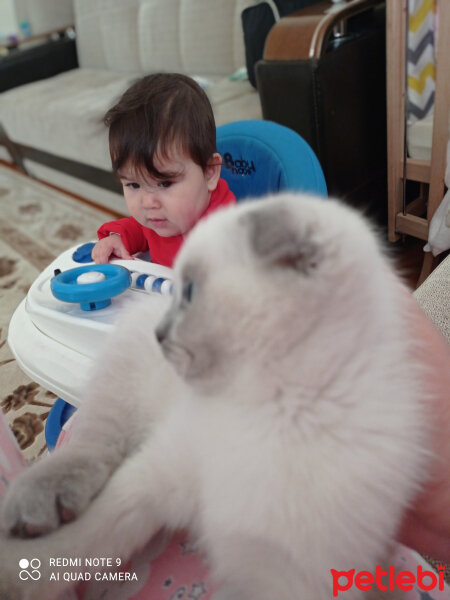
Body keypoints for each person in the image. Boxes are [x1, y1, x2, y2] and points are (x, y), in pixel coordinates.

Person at [91, 73, 236, 267]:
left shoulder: (228, 233)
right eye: (134, 184)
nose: (149, 203)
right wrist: (118, 239)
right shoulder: (162, 217)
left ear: (209, 172)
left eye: (165, 183)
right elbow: (141, 230)